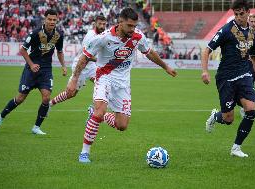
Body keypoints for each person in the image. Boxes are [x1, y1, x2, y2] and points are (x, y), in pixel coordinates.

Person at [67, 7, 177, 163]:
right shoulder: (103, 38)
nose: (133, 29)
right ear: (120, 23)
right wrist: (74, 79)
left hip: (123, 84)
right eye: (129, 26)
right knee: (99, 112)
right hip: (104, 77)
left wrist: (165, 66)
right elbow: (84, 58)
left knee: (122, 125)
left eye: (134, 25)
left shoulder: (138, 36)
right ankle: (84, 152)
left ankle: (96, 114)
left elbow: (150, 52)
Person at [201, 0, 255, 158]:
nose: (238, 17)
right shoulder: (227, 30)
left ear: (248, 12)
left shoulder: (253, 33)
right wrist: (205, 71)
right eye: (235, 14)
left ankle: (236, 147)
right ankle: (216, 116)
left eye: (241, 14)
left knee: (251, 110)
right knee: (228, 119)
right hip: (226, 78)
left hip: (244, 76)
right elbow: (206, 50)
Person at [0, 9, 67, 135]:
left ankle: (36, 127)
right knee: (20, 99)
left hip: (46, 70)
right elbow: (23, 50)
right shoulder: (36, 33)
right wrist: (31, 65)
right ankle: (0, 117)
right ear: (45, 19)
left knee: (46, 98)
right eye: (50, 19)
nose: (52, 22)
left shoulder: (58, 35)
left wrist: (63, 66)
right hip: (31, 70)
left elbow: (59, 52)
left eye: (54, 20)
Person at [49, 15, 107, 107]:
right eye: (100, 24)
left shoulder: (103, 34)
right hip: (81, 65)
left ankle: (95, 108)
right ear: (95, 24)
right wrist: (101, 60)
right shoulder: (91, 36)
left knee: (102, 84)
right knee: (71, 93)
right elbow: (86, 56)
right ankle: (50, 104)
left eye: (104, 24)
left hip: (91, 66)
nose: (102, 26)